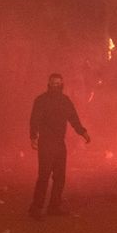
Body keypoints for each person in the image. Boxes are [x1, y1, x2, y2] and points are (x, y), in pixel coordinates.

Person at [29, 73, 91, 219]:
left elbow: (73, 118)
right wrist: (33, 137)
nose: (56, 86)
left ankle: (54, 206)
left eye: (58, 83)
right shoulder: (41, 101)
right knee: (44, 177)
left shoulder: (65, 101)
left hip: (59, 143)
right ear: (48, 84)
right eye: (53, 83)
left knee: (59, 177)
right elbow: (34, 120)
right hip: (46, 144)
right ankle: (35, 208)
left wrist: (82, 132)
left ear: (62, 85)